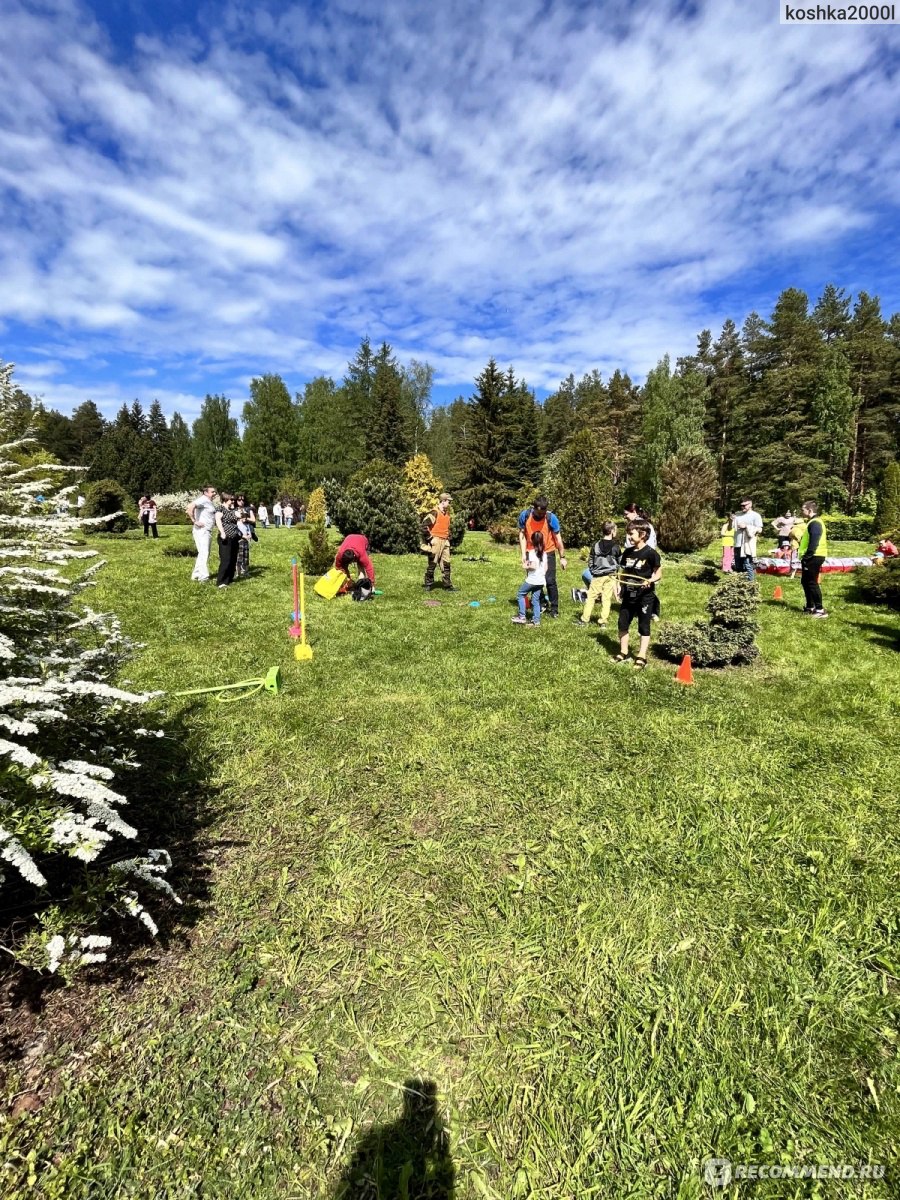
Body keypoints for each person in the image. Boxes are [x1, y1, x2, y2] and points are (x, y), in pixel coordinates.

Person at [613, 520, 662, 670]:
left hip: (645, 595)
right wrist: (618, 586)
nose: (628, 536)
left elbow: (658, 573)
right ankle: (624, 651)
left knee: (643, 625)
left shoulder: (651, 553)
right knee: (622, 623)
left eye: (631, 533)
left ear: (643, 534)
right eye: (628, 533)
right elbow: (623, 572)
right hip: (628, 593)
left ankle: (641, 656)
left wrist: (650, 580)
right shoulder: (627, 552)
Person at [518, 495, 567, 618]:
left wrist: (562, 557)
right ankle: (542, 602)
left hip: (548, 552)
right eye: (538, 512)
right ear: (533, 508)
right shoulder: (525, 515)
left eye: (543, 512)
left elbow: (558, 538)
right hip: (531, 552)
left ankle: (554, 608)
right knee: (534, 580)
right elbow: (522, 535)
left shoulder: (551, 518)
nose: (541, 515)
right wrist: (524, 554)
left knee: (550, 581)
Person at [574, 521, 621, 628]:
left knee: (591, 597)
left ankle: (585, 619)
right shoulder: (616, 547)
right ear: (612, 531)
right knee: (606, 598)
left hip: (598, 575)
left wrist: (592, 570)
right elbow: (619, 562)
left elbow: (590, 559)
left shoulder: (596, 545)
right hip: (611, 576)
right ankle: (603, 621)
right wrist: (616, 573)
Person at [798, 501, 828, 617]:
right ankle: (810, 606)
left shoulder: (815, 523)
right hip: (812, 556)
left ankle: (820, 610)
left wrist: (807, 557)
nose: (802, 512)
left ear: (809, 510)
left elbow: (814, 542)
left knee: (811, 582)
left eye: (803, 510)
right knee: (805, 581)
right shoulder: (812, 522)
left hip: (814, 556)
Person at [422, 492, 456, 592]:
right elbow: (424, 526)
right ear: (443, 501)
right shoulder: (434, 512)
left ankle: (447, 586)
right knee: (432, 563)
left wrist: (448, 537)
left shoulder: (447, 514)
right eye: (448, 501)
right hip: (436, 541)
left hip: (445, 542)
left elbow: (447, 528)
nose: (449, 503)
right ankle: (428, 585)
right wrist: (430, 539)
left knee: (446, 564)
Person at [512, 531, 546, 626]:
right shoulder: (545, 553)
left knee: (520, 594)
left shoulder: (531, 553)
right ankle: (536, 621)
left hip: (532, 580)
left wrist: (525, 565)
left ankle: (522, 616)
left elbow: (533, 566)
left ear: (532, 541)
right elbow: (546, 568)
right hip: (540, 581)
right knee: (535, 600)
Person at [185, 485, 217, 582]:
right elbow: (190, 507)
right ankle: (203, 577)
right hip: (202, 530)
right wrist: (194, 521)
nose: (214, 493)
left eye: (215, 492)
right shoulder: (203, 499)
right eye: (212, 492)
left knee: (203, 553)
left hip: (207, 530)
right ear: (206, 493)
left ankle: (195, 575)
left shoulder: (208, 502)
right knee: (204, 553)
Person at [732, 498, 763, 582]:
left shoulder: (756, 515)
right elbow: (731, 528)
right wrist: (730, 520)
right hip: (737, 543)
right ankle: (739, 583)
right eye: (741, 505)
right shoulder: (737, 515)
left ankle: (750, 584)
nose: (742, 507)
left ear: (750, 505)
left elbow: (759, 530)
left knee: (748, 565)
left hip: (747, 545)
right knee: (738, 565)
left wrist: (746, 526)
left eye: (744, 505)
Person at [214, 493, 241, 589]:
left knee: (233, 558)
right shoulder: (220, 509)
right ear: (225, 500)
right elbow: (218, 520)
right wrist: (222, 532)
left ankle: (229, 578)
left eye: (233, 500)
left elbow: (239, 516)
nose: (233, 501)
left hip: (235, 537)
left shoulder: (233, 510)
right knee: (226, 559)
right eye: (231, 500)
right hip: (225, 537)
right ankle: (221, 581)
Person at [235, 508, 256, 579]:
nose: (245, 518)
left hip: (246, 542)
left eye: (246, 517)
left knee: (246, 557)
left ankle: (245, 572)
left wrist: (250, 536)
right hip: (240, 542)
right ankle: (238, 572)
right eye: (243, 517)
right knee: (239, 557)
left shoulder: (247, 525)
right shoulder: (238, 524)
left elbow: (249, 532)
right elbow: (237, 533)